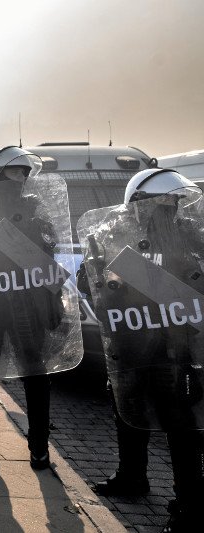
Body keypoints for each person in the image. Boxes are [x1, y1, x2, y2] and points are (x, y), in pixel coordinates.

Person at [77, 168, 204, 532]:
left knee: (181, 426)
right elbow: (93, 285)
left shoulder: (190, 238)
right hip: (132, 344)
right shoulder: (115, 236)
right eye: (161, 200)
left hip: (174, 349)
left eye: (172, 201)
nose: (167, 206)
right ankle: (132, 477)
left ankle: (189, 508)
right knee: (128, 409)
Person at [0, 146, 79, 470]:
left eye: (24, 173)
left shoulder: (35, 207)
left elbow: (50, 250)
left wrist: (52, 296)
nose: (20, 178)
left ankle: (38, 445)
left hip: (25, 301)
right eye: (13, 172)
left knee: (34, 370)